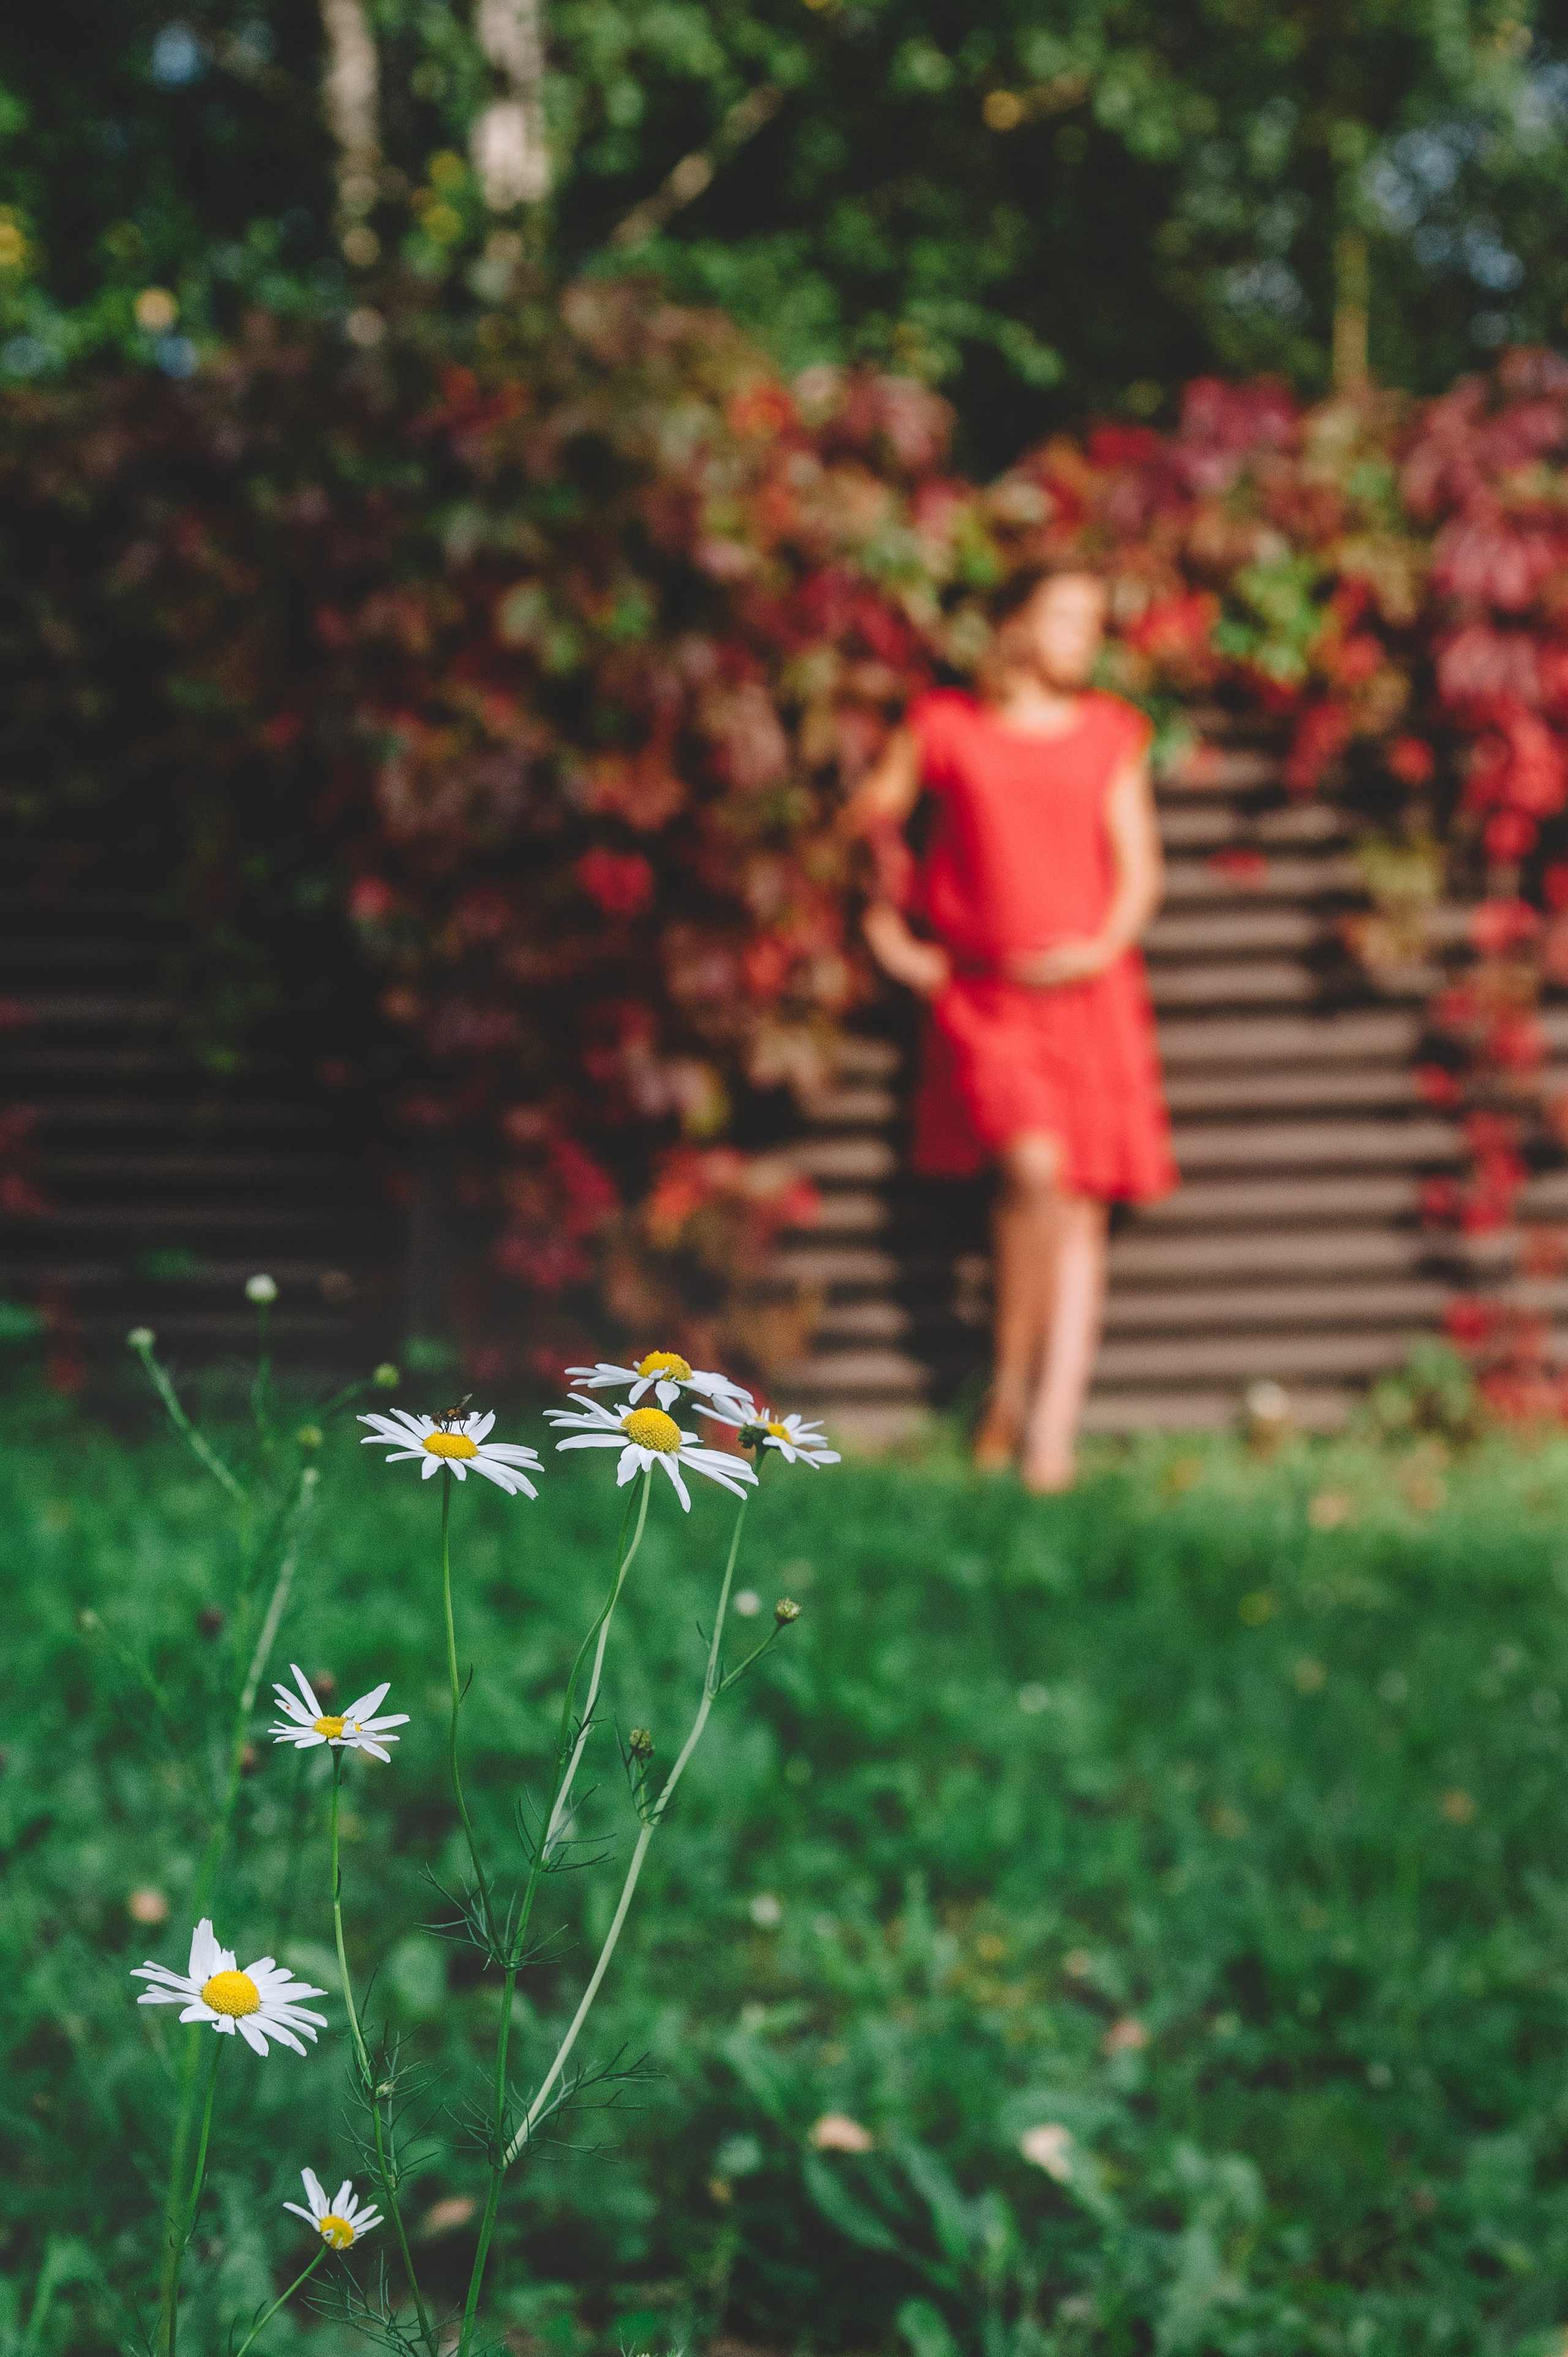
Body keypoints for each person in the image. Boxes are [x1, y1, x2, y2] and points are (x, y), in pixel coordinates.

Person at [845, 561, 1177, 1493]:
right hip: (986, 1000)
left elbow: (1139, 869)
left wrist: (1101, 943)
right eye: (1068, 615)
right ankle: (1005, 1391)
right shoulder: (946, 726)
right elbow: (872, 822)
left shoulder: (1112, 733)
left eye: (1096, 620)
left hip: (1091, 994)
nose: (1086, 635)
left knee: (1079, 1209)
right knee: (1032, 1173)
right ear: (1015, 623)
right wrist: (888, 932)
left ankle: (1048, 1439)